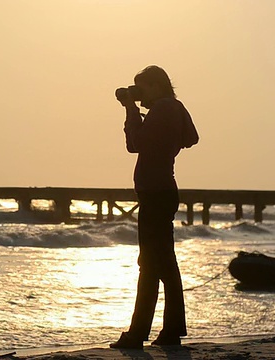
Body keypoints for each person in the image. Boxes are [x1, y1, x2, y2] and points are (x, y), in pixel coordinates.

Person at [110, 65, 199, 349]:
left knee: (148, 265)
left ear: (156, 86)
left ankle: (138, 333)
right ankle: (172, 331)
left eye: (143, 88)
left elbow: (134, 144)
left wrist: (131, 110)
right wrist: (157, 125)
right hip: (165, 189)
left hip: (154, 192)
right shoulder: (174, 107)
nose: (140, 94)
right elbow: (190, 138)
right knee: (165, 264)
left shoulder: (161, 109)